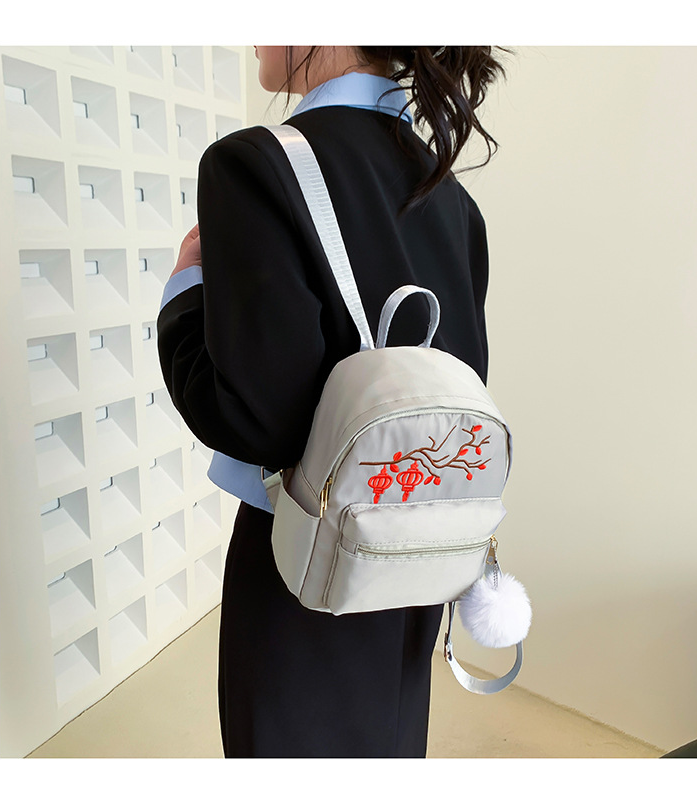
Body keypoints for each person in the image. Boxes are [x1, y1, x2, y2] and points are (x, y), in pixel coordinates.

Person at [157, 45, 509, 758]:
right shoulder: (450, 194)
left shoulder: (252, 164)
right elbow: (457, 379)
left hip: (303, 556)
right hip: (421, 548)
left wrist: (185, 291)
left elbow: (253, 423)